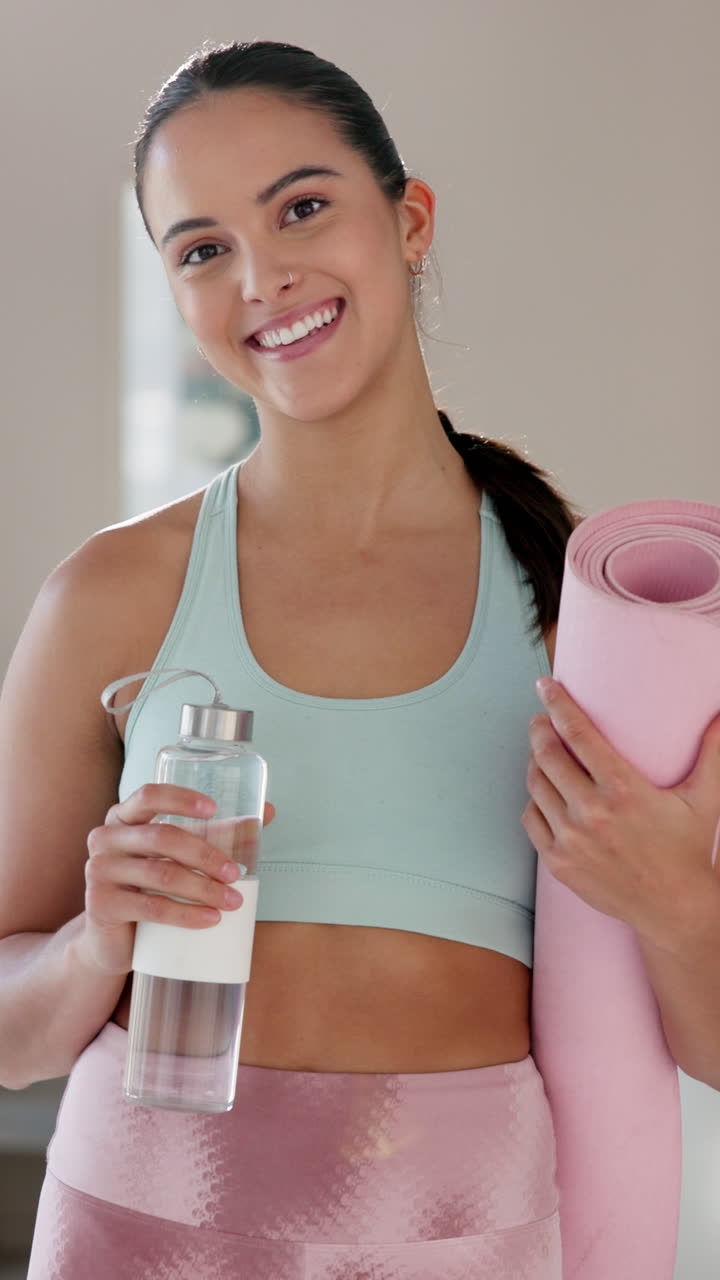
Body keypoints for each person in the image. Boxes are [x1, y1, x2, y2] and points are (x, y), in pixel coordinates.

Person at [1, 39, 582, 1279]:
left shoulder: (577, 601)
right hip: (137, 1225)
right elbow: (7, 1030)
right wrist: (96, 940)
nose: (263, 276)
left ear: (409, 217)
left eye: (303, 207)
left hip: (464, 1236)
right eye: (202, 247)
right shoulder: (111, 595)